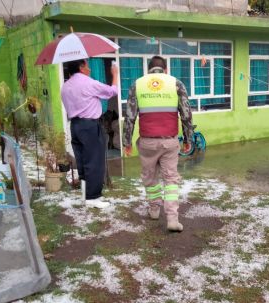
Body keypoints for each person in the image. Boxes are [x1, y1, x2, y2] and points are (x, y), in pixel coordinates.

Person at [123, 55, 193, 232]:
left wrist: (127, 141)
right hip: (169, 142)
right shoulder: (175, 83)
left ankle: (154, 210)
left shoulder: (138, 84)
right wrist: (187, 139)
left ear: (149, 70)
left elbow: (130, 116)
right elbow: (186, 114)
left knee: (150, 176)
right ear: (165, 69)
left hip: (147, 143)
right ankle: (172, 219)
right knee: (170, 179)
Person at [61, 59, 119, 207]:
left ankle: (85, 194)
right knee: (94, 161)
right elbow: (113, 91)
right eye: (87, 66)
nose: (90, 69)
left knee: (82, 161)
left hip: (75, 125)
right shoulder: (88, 82)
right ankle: (93, 198)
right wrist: (115, 75)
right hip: (90, 126)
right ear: (81, 67)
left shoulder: (65, 86)